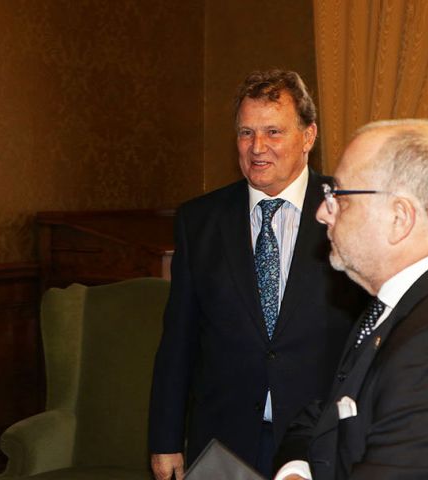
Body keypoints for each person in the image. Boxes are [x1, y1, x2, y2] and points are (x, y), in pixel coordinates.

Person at [148, 69, 365, 479]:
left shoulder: (350, 211)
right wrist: (165, 439)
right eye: (246, 133)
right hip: (223, 441)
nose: (257, 147)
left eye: (273, 132)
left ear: (308, 136)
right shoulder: (200, 220)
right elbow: (179, 338)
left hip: (321, 440)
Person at [274, 119, 428, 479]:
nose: (322, 212)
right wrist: (297, 470)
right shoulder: (404, 299)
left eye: (339, 196)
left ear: (400, 217)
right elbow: (330, 415)